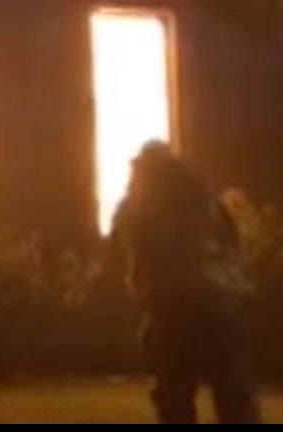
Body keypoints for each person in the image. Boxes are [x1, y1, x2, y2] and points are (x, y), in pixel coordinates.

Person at [110, 142, 262, 424]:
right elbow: (232, 247)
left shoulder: (144, 200)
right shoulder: (207, 199)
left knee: (174, 392)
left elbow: (122, 233)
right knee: (234, 394)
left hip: (174, 306)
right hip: (223, 305)